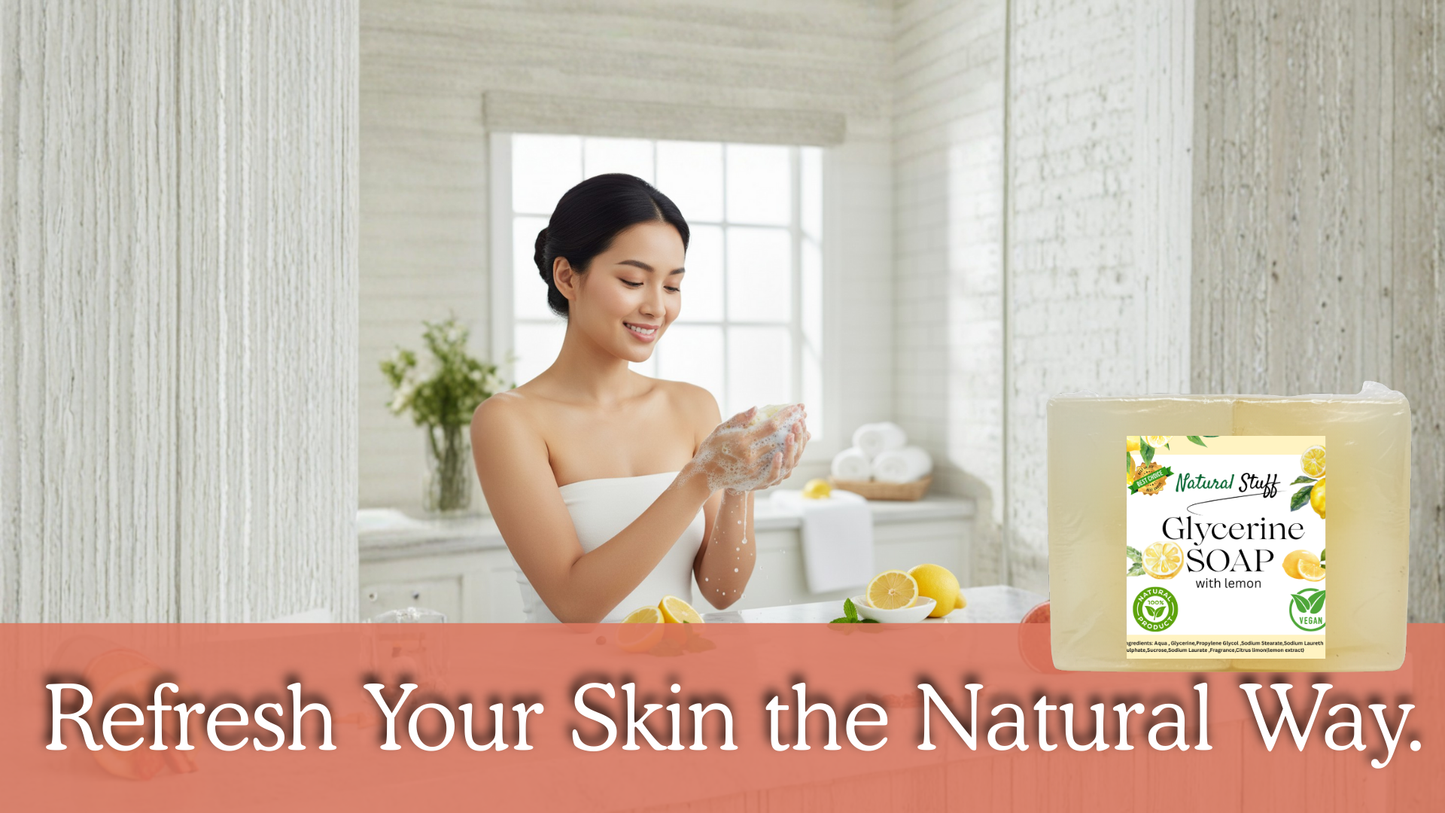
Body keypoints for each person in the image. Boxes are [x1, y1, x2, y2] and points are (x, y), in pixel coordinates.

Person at [471, 173, 810, 623]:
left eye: (672, 286)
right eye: (633, 281)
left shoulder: (691, 406)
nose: (656, 307)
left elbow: (722, 591)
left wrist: (737, 485)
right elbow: (575, 603)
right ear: (568, 277)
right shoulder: (510, 421)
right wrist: (701, 476)